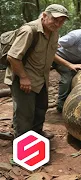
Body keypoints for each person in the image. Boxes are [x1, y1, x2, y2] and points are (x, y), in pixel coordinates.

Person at [3, 4, 69, 139]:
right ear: (44, 16)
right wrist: (23, 77)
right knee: (24, 114)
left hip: (41, 78)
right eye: (54, 19)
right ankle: (22, 145)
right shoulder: (29, 31)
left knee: (40, 108)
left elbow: (50, 54)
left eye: (61, 21)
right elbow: (13, 57)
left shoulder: (54, 32)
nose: (57, 24)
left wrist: (69, 65)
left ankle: (37, 134)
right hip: (23, 78)